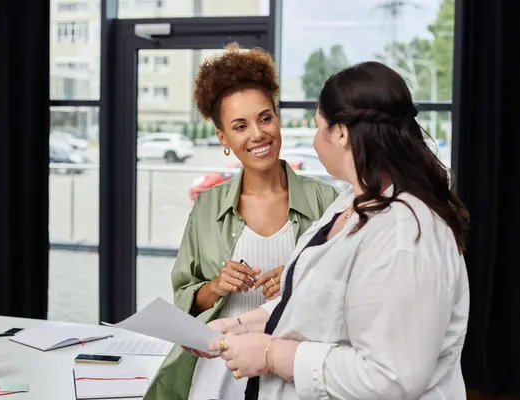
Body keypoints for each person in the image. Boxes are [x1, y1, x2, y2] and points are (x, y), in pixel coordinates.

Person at [202, 61, 471, 399]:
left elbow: (391, 378)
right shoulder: (348, 203)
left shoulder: (405, 237)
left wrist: (272, 354)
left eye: (318, 127)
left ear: (341, 133)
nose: (315, 140)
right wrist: (237, 326)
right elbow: (312, 306)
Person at [143, 43, 339, 400]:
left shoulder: (326, 201)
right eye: (240, 126)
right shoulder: (207, 207)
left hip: (292, 368)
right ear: (224, 139)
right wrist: (217, 285)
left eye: (265, 118)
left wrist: (297, 280)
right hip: (220, 372)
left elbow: (343, 291)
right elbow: (187, 298)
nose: (257, 134)